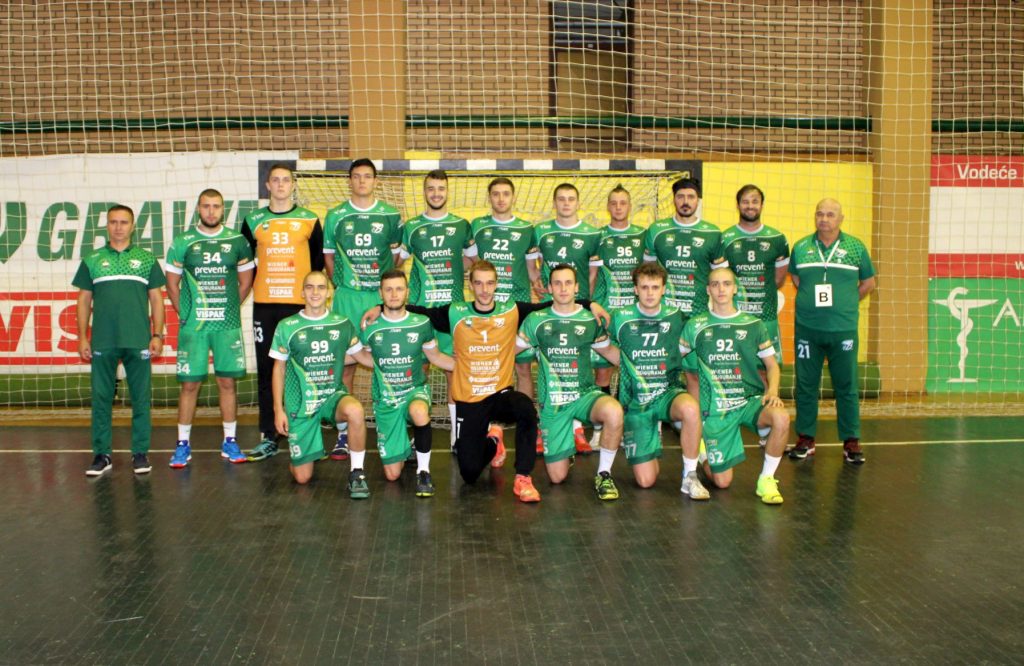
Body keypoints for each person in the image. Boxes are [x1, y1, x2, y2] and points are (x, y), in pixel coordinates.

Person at [363, 260, 610, 503]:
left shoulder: (511, 310)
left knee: (525, 408)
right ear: (470, 286)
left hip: (500, 394)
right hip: (470, 400)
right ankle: (494, 440)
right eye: (479, 283)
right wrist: (380, 307)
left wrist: (589, 303)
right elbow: (418, 311)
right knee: (469, 472)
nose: (484, 289)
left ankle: (523, 477)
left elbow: (552, 303)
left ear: (496, 285)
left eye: (490, 283)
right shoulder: (455, 312)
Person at [680, 267, 790, 504]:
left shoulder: (754, 325)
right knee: (722, 482)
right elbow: (680, 365)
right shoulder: (695, 325)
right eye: (715, 284)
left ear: (735, 288)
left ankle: (767, 479)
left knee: (781, 417)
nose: (721, 289)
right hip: (717, 409)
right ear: (708, 290)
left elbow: (772, 365)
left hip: (749, 401)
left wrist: (772, 391)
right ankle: (703, 454)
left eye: (727, 284)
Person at [597, 262, 708, 497]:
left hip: (668, 393)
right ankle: (650, 442)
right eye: (644, 287)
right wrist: (627, 363)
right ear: (635, 289)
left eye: (655, 287)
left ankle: (690, 476)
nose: (650, 293)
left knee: (690, 409)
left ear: (664, 289)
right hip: (636, 402)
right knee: (646, 481)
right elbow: (605, 347)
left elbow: (690, 343)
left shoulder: (677, 317)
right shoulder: (621, 317)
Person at [516, 264, 624, 501]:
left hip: (585, 396)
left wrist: (637, 368)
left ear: (577, 287)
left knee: (614, 411)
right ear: (549, 288)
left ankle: (604, 474)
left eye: (568, 283)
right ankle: (567, 449)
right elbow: (510, 351)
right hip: (554, 403)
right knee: (557, 477)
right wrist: (477, 358)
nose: (563, 288)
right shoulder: (536, 320)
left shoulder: (590, 320)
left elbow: (609, 352)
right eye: (557, 283)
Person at [165, 189, 255, 467]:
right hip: (194, 327)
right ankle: (182, 444)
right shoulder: (183, 241)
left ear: (223, 209)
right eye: (206, 206)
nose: (211, 211)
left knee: (227, 383)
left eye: (216, 206)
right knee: (189, 385)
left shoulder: (237, 241)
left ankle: (230, 441)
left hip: (226, 326)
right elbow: (172, 284)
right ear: (198, 209)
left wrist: (229, 309)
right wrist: (186, 314)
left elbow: (246, 282)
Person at [241, 163, 324, 462]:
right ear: (267, 185)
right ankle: (269, 435)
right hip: (265, 305)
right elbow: (244, 263)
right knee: (267, 369)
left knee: (305, 370)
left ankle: (306, 432)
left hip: (298, 306)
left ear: (292, 185)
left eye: (285, 180)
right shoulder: (253, 221)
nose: (280, 185)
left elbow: (317, 266)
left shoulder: (309, 220)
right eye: (275, 180)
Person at [74, 205, 166, 476]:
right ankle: (102, 455)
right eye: (113, 222)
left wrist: (157, 334)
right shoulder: (92, 259)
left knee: (141, 399)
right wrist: (82, 337)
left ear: (133, 226)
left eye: (123, 222)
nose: (118, 227)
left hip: (139, 340)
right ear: (107, 226)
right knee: (101, 398)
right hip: (103, 341)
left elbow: (157, 299)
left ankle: (140, 453)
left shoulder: (146, 259)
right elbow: (83, 300)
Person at [323, 158, 403, 459]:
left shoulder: (391, 215)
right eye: (356, 176)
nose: (361, 181)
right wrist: (342, 285)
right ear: (350, 180)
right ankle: (344, 434)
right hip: (347, 298)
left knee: (387, 363)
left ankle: (388, 429)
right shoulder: (335, 216)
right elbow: (329, 257)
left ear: (375, 181)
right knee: (345, 366)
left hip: (378, 299)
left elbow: (396, 259)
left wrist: (382, 296)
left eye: (367, 176)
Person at [787, 198, 876, 464]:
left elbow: (868, 283)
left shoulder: (856, 247)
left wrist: (845, 302)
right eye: (820, 214)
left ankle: (851, 441)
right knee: (805, 385)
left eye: (830, 214)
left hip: (843, 330)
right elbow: (797, 280)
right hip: (808, 330)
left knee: (846, 385)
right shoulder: (801, 247)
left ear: (840, 218)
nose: (824, 219)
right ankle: (806, 439)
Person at [356, 269, 456, 497]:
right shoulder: (370, 326)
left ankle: (424, 471)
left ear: (407, 292)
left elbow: (435, 357)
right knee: (393, 474)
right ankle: (406, 448)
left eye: (399, 289)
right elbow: (363, 357)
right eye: (389, 289)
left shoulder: (422, 323)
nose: (394, 294)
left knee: (419, 411)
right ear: (380, 293)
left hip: (414, 391)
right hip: (386, 401)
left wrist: (467, 369)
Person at [270, 271, 370, 496]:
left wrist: (391, 358)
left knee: (355, 410)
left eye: (321, 287)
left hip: (332, 396)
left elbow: (361, 357)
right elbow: (279, 369)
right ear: (302, 292)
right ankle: (302, 454)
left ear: (328, 293)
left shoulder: (342, 323)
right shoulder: (287, 325)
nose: (315, 292)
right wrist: (279, 410)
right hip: (301, 403)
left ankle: (357, 474)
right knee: (302, 478)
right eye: (310, 287)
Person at [395, 169, 472, 447]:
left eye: (441, 188)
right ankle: (415, 434)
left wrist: (453, 271)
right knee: (419, 371)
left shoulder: (462, 226)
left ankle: (455, 435)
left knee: (454, 371)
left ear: (447, 191)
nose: (436, 194)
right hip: (421, 310)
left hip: (452, 311)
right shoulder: (412, 227)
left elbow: (472, 262)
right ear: (424, 191)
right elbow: (397, 264)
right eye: (431, 188)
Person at [529, 183, 604, 453]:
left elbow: (593, 274)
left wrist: (586, 302)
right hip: (550, 308)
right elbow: (532, 265)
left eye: (571, 199)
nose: (566, 203)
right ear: (554, 203)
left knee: (577, 365)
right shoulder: (541, 231)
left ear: (578, 202)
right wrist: (537, 284)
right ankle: (544, 426)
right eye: (561, 199)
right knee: (548, 367)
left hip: (577, 308)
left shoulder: (592, 233)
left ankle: (577, 428)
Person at [464, 177, 542, 398]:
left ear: (513, 197)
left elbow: (532, 269)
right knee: (488, 367)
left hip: (517, 306)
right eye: (496, 194)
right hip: (487, 307)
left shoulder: (527, 229)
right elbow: (470, 261)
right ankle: (492, 416)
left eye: (506, 194)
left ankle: (524, 416)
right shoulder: (477, 226)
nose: (501, 199)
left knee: (523, 368)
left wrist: (541, 285)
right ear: (489, 197)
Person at [717, 184, 790, 363]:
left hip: (766, 317)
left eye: (755, 201)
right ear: (738, 205)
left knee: (768, 369)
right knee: (735, 368)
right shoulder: (724, 239)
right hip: (735, 317)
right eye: (745, 202)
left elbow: (779, 280)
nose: (750, 206)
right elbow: (720, 279)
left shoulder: (777, 239)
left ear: (762, 205)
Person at [644, 177, 724, 319]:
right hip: (664, 312)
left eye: (691, 197)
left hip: (699, 312)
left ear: (698, 201)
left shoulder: (713, 233)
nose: (685, 201)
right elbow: (647, 273)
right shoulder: (656, 230)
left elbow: (720, 277)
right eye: (680, 196)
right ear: (674, 199)